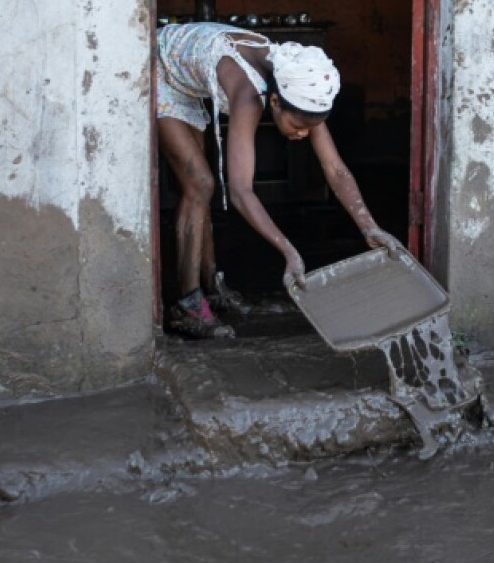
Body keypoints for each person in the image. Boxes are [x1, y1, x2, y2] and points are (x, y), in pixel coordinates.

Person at [156, 21, 399, 339]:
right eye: (297, 126)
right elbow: (242, 192)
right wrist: (289, 251)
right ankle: (188, 304)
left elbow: (336, 169)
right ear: (274, 103)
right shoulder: (248, 96)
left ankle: (214, 287)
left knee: (201, 184)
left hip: (195, 67)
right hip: (163, 66)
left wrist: (369, 226)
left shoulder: (299, 89)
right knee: (200, 184)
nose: (302, 134)